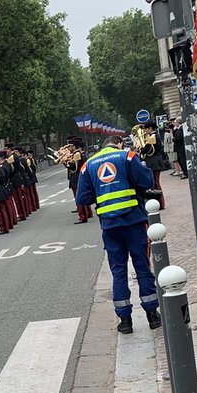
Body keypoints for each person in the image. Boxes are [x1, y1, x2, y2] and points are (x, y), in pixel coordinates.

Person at [76, 136, 162, 334]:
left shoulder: (88, 165)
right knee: (142, 266)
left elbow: (82, 197)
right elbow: (147, 181)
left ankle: (125, 321)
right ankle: (152, 316)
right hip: (134, 221)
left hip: (109, 226)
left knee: (118, 271)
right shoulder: (128, 157)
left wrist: (101, 192)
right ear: (119, 144)